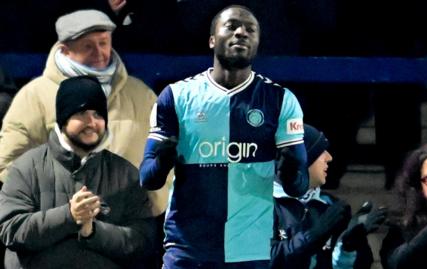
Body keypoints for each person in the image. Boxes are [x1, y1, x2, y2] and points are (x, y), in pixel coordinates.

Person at [139, 5, 309, 268]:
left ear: (257, 43)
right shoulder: (176, 97)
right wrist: (164, 161)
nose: (241, 32)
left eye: (250, 29)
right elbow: (147, 179)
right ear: (211, 39)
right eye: (231, 26)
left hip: (250, 250)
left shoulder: (281, 101)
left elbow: (299, 186)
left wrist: (288, 172)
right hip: (188, 249)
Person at [0, 76, 156, 269]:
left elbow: (143, 242)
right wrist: (69, 216)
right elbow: (11, 230)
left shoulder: (126, 173)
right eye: (82, 113)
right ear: (63, 118)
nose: (91, 122)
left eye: (98, 114)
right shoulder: (26, 167)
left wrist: (93, 232)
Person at [0, 9, 157, 182]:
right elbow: (8, 163)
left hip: (132, 207)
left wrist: (156, 203)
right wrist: (52, 200)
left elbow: (163, 158)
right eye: (87, 46)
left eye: (103, 43)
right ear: (65, 50)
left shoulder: (141, 94)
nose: (98, 53)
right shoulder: (34, 96)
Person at [271, 124, 387, 269]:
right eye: (320, 152)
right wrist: (312, 236)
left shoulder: (331, 205)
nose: (329, 157)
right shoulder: (259, 206)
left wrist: (348, 247)